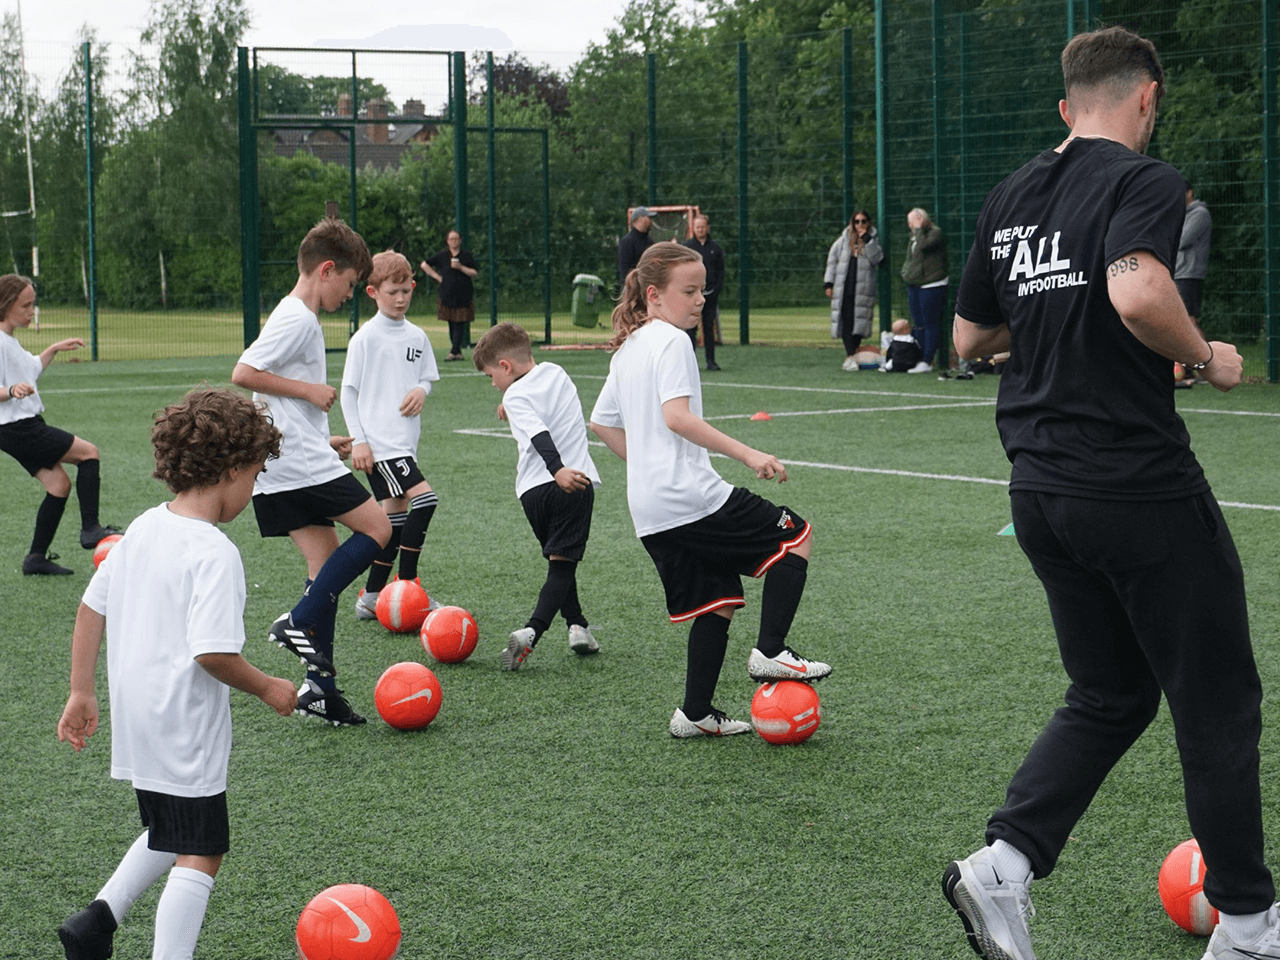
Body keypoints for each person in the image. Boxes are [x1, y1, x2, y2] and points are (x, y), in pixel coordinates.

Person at [942, 25, 1277, 960]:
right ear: (1148, 98)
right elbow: (1136, 292)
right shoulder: (1143, 178)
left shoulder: (1011, 193)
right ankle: (1249, 925)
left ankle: (1003, 864)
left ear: (1065, 105)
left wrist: (1068, 328)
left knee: (1111, 690)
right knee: (1217, 702)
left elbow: (971, 340)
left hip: (1039, 489)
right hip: (1133, 485)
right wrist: (1206, 357)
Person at [55, 388, 297, 960]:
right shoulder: (214, 551)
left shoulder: (143, 526)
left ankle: (96, 922)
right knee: (202, 849)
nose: (255, 489)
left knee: (170, 828)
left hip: (140, 716)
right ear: (233, 469)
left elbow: (92, 607)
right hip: (182, 722)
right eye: (256, 476)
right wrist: (269, 687)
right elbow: (212, 654)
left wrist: (81, 690)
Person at [589, 243, 831, 739]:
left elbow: (601, 423)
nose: (700, 300)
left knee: (717, 601)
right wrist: (749, 455)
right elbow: (676, 417)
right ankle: (771, 651)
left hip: (651, 508)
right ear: (654, 295)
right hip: (689, 497)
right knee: (797, 535)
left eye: (704, 290)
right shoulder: (671, 342)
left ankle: (694, 713)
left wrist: (647, 466)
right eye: (690, 291)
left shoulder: (629, 348)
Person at [231, 217, 390, 727]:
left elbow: (269, 395)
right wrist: (310, 394)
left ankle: (321, 688)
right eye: (348, 283)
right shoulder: (299, 317)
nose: (350, 295)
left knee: (325, 569)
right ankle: (296, 620)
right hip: (297, 464)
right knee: (381, 528)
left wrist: (323, 438)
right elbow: (245, 373)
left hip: (291, 460)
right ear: (326, 270)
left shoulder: (293, 314)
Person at [472, 321, 602, 670]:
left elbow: (535, 427)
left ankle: (578, 627)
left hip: (532, 493)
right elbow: (543, 425)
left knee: (559, 562)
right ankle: (532, 631)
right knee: (562, 566)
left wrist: (509, 402)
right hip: (570, 482)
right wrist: (559, 469)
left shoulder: (514, 395)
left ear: (505, 367)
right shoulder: (556, 373)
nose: (494, 385)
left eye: (491, 377)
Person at [341, 250, 442, 620]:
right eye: (392, 292)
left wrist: (422, 391)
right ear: (372, 292)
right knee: (426, 501)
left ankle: (371, 596)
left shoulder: (417, 336)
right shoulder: (364, 338)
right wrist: (360, 440)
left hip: (405, 444)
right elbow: (349, 391)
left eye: (406, 291)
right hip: (382, 445)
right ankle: (409, 587)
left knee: (393, 523)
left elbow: (428, 377)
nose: (400, 299)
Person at [0, 274, 119, 575]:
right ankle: (90, 529)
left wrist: (53, 348)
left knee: (59, 485)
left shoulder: (8, 340)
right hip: (19, 427)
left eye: (33, 305)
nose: (31, 312)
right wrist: (11, 391)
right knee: (89, 453)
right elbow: (12, 386)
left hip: (17, 428)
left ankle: (35, 559)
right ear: (6, 304)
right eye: (26, 306)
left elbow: (30, 369)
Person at [825, 210, 885, 371]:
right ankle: (850, 356)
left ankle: (852, 356)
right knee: (846, 322)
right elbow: (832, 261)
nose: (860, 225)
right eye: (857, 221)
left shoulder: (872, 240)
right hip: (844, 288)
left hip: (862, 290)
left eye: (863, 221)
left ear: (868, 223)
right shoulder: (843, 240)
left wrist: (867, 239)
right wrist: (828, 283)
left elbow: (878, 259)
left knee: (858, 324)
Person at [900, 207, 948, 374]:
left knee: (930, 323)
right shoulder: (914, 236)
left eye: (912, 221)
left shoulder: (935, 233)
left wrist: (919, 228)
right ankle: (917, 358)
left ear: (921, 219)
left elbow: (923, 247)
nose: (910, 225)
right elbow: (911, 258)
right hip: (915, 285)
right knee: (918, 324)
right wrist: (905, 273)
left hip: (932, 284)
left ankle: (927, 361)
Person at [420, 229, 478, 362]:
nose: (454, 241)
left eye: (456, 239)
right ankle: (456, 351)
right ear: (447, 241)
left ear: (460, 240)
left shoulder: (466, 256)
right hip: (447, 293)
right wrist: (437, 277)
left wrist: (460, 267)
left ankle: (455, 351)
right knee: (451, 323)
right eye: (451, 239)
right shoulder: (442, 256)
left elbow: (474, 272)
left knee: (460, 322)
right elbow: (424, 264)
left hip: (464, 294)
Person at [682, 214, 725, 371]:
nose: (700, 229)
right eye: (697, 227)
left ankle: (711, 361)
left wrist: (716, 289)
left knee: (709, 328)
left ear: (708, 228)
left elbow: (721, 271)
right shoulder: (687, 248)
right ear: (694, 228)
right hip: (692, 296)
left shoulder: (715, 248)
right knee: (691, 329)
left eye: (703, 227)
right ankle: (690, 362)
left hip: (710, 296)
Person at [616, 206, 654, 290]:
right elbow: (624, 269)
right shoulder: (627, 242)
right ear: (640, 219)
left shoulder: (650, 242)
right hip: (632, 289)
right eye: (649, 218)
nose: (652, 221)